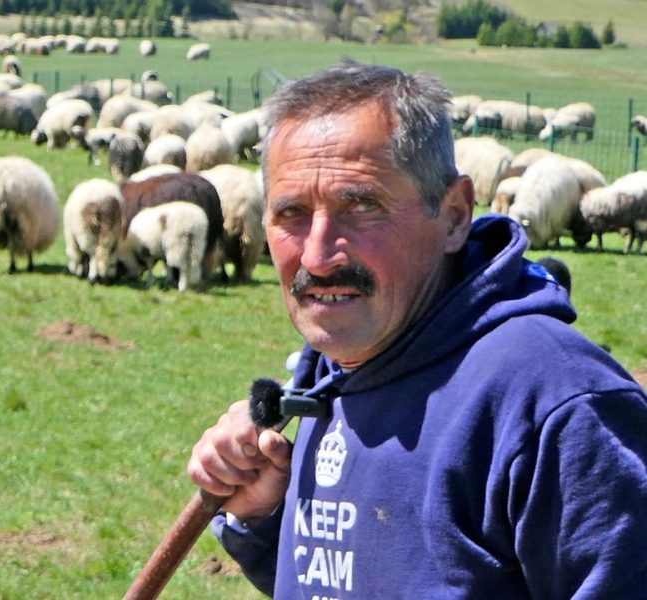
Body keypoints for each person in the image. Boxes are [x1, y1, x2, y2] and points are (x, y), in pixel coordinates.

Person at [187, 60, 647, 598]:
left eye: (360, 206)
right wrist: (269, 520)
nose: (316, 254)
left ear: (454, 215)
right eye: (291, 213)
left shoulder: (553, 406)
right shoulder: (338, 371)